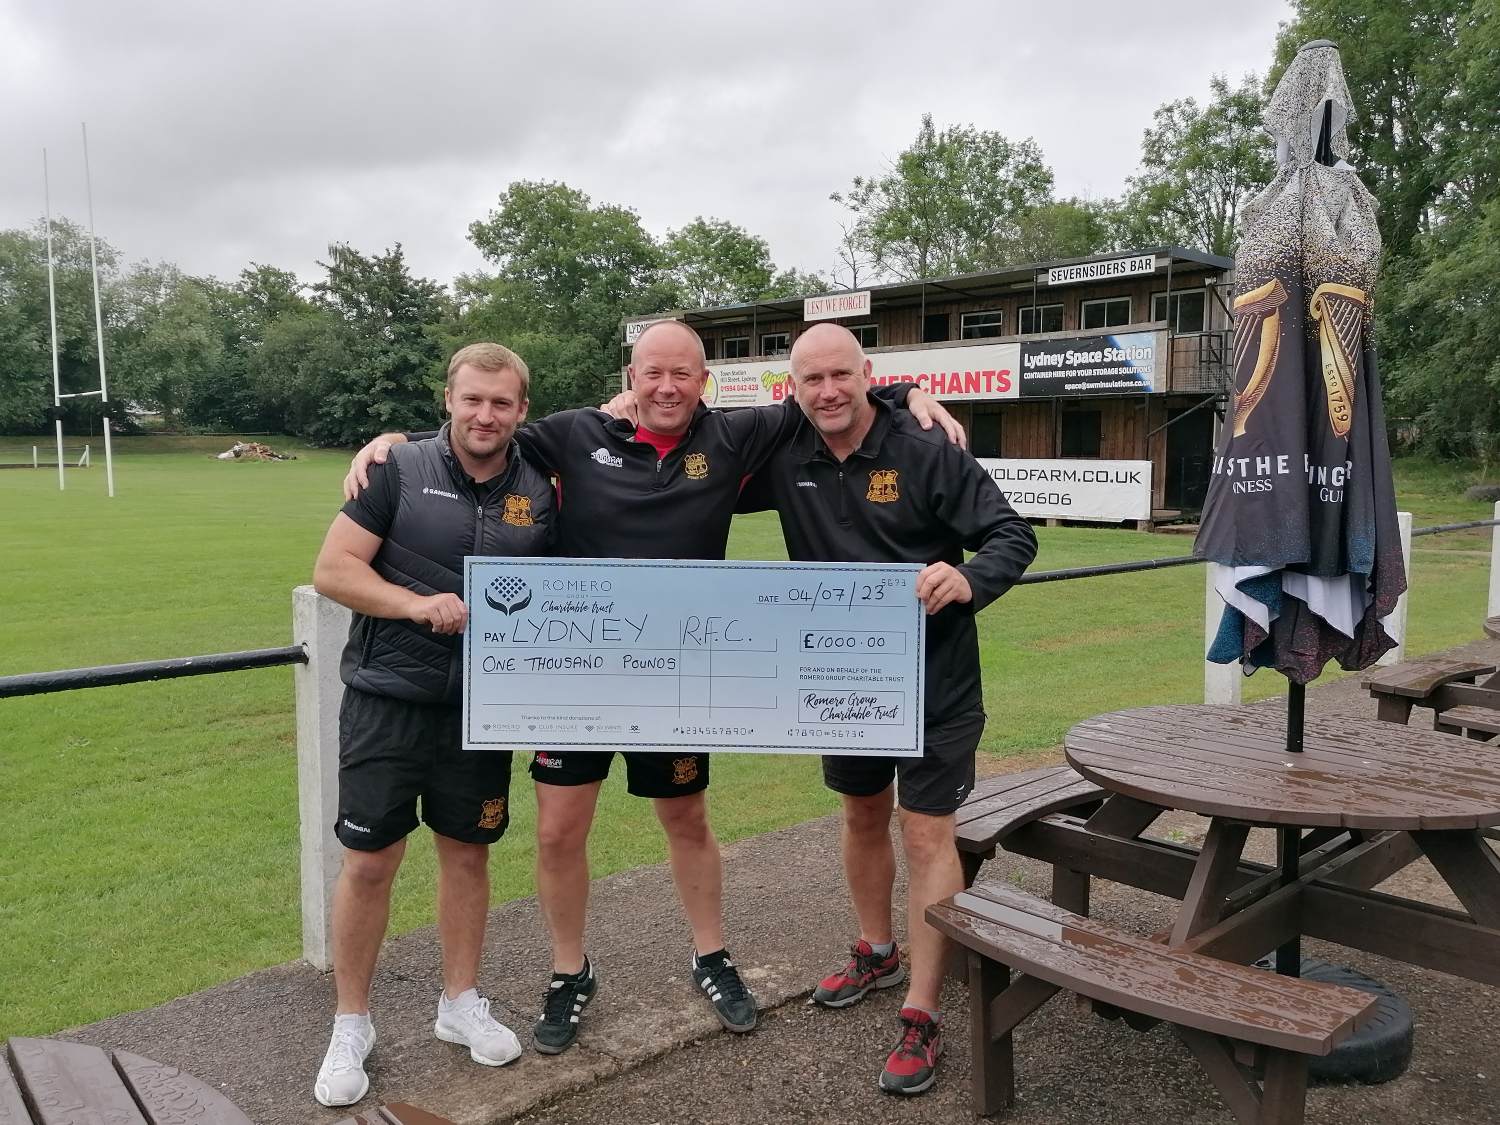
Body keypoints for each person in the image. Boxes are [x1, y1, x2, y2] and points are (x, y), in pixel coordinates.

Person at [344, 320, 965, 1057]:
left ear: (705, 382)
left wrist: (907, 392)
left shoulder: (736, 435)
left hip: (676, 677)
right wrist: (395, 441)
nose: (667, 387)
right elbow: (484, 430)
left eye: (682, 374)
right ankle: (569, 970)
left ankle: (712, 956)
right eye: (652, 373)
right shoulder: (576, 433)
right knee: (558, 829)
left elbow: (829, 394)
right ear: (630, 378)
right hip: (574, 674)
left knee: (686, 819)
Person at [735, 323, 1037, 1096]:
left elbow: (1012, 534)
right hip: (843, 680)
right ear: (792, 389)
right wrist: (624, 411)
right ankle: (877, 948)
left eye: (842, 374)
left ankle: (923, 1011)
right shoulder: (784, 451)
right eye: (812, 379)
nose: (829, 390)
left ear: (867, 372)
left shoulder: (926, 447)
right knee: (861, 813)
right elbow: (685, 452)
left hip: (935, 681)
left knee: (926, 830)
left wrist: (968, 578)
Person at [310, 342, 554, 1107]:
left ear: (522, 410)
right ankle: (351, 1022)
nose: (486, 414)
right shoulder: (398, 468)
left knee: (468, 854)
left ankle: (459, 1002)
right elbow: (334, 569)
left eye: (502, 402)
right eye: (472, 398)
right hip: (386, 700)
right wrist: (416, 605)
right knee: (370, 861)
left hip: (481, 710)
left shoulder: (542, 487)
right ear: (448, 398)